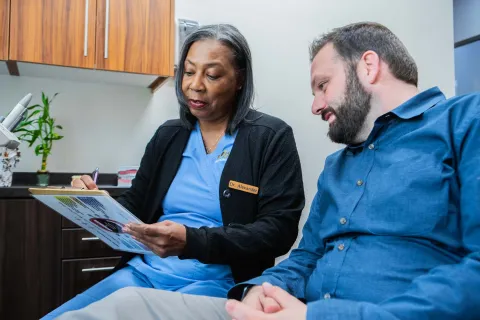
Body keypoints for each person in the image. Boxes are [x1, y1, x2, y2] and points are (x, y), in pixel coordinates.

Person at [58, 21, 480, 320]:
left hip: (303, 308)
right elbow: (306, 255)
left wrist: (316, 315)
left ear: (368, 67)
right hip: (280, 306)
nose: (315, 105)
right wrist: (258, 290)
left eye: (322, 85)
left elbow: (276, 230)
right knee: (118, 306)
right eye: (187, 73)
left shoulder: (464, 122)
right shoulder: (339, 166)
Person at [42, 24, 305, 319]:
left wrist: (192, 241)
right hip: (142, 272)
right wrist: (95, 201)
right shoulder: (169, 135)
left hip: (216, 283)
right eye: (189, 72)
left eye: (213, 74)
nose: (195, 85)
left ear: (240, 79)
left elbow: (278, 230)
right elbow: (136, 207)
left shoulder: (269, 137)